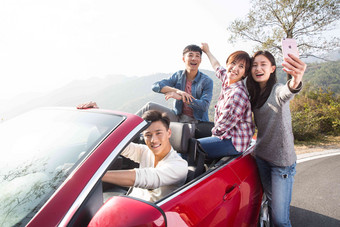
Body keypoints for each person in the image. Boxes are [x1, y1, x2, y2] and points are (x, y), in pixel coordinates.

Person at [247, 50, 307, 227]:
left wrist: (296, 80)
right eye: (255, 65)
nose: (258, 68)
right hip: (262, 157)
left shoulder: (277, 90)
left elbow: (288, 91)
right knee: (272, 204)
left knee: (281, 220)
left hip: (281, 163)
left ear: (272, 68)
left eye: (263, 64)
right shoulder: (254, 93)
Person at [102, 110, 188, 203]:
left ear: (169, 133)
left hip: (149, 213)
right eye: (148, 135)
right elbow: (117, 143)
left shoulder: (179, 165)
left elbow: (146, 178)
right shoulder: (145, 151)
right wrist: (101, 117)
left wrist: (98, 176)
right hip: (128, 204)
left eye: (158, 133)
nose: (153, 140)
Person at [196, 43, 255, 159]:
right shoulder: (227, 80)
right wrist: (207, 51)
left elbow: (223, 125)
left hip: (234, 140)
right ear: (228, 64)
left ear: (245, 73)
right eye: (233, 63)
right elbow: (217, 66)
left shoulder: (237, 93)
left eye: (241, 66)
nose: (235, 68)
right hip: (226, 134)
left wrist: (210, 139)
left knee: (194, 147)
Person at [135, 44, 214, 124]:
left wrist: (181, 97)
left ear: (200, 60)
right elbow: (155, 86)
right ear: (183, 59)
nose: (194, 58)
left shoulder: (207, 81)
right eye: (190, 55)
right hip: (177, 116)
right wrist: (177, 91)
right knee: (149, 106)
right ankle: (126, 128)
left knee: (181, 131)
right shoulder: (178, 76)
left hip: (195, 121)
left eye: (197, 56)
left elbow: (204, 106)